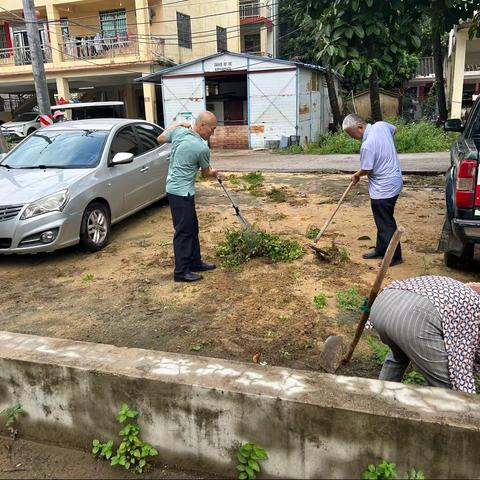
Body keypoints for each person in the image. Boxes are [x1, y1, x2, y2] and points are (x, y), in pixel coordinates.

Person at [369, 275, 480, 393]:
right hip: (414, 319)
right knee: (452, 390)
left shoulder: (454, 289)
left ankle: (380, 399)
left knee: (398, 356)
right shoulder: (473, 306)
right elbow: (460, 354)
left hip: (382, 304)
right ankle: (458, 410)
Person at [157, 111, 220, 282]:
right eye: (212, 130)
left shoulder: (180, 132)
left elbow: (160, 138)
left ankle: (194, 262)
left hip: (176, 190)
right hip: (181, 193)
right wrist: (214, 173)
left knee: (192, 228)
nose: (212, 134)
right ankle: (181, 272)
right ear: (201, 125)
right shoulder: (201, 148)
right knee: (184, 232)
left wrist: (177, 124)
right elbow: (206, 173)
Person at [342, 114, 403, 266]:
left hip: (383, 189)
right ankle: (381, 249)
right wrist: (385, 144)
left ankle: (394, 256)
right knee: (382, 220)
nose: (353, 138)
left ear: (360, 127)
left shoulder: (367, 144)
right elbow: (394, 130)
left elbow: (367, 169)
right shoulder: (382, 126)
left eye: (352, 134)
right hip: (394, 182)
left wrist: (356, 175)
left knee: (385, 223)